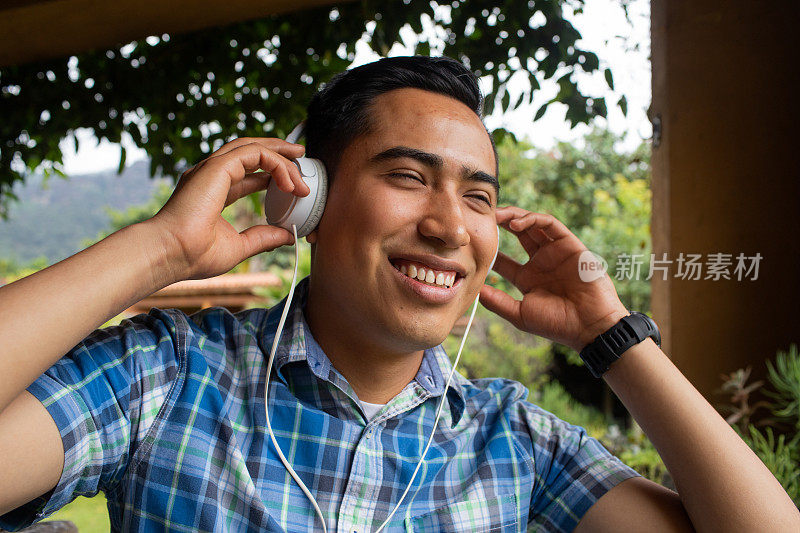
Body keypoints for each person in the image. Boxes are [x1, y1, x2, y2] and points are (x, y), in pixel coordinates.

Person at [0, 56, 796, 532]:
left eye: (479, 197)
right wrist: (161, 247)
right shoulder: (167, 377)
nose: (451, 225)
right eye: (409, 177)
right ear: (306, 197)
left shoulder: (510, 442)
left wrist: (610, 336)